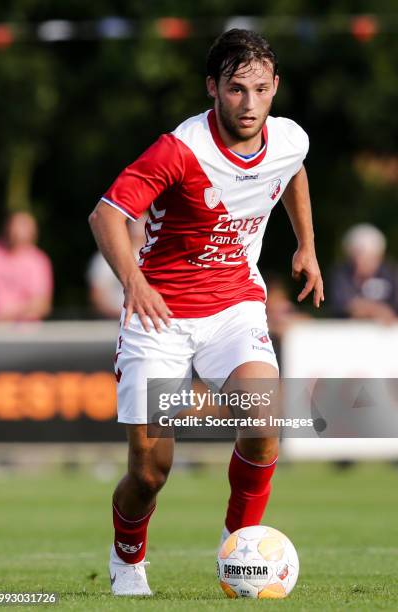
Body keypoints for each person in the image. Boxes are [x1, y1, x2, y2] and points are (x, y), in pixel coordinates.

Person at [89, 29, 324, 596]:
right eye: (236, 89)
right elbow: (105, 216)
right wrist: (135, 282)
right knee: (149, 472)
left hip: (234, 307)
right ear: (212, 87)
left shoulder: (289, 138)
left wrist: (305, 246)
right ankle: (128, 560)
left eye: (260, 90)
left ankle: (239, 550)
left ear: (275, 89)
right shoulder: (181, 148)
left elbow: (291, 170)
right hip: (160, 317)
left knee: (265, 424)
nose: (248, 104)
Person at [0, 211, 53, 321]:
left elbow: (42, 304)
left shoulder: (38, 261)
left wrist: (7, 315)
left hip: (26, 334)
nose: (18, 232)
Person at [330, 224, 398, 323]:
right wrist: (377, 311)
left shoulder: (391, 273)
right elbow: (344, 304)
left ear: (380, 256)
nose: (360, 262)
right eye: (357, 255)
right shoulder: (341, 274)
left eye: (367, 257)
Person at [87, 215, 147, 319]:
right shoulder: (105, 257)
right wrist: (120, 314)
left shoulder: (160, 258)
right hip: (111, 321)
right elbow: (96, 295)